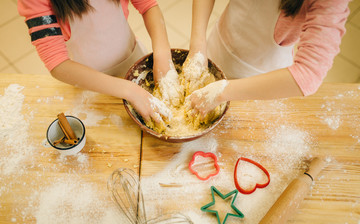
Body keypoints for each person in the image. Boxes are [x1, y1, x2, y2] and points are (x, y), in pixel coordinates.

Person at [184, 0, 350, 118]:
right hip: (218, 44)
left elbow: (309, 74)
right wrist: (198, 45)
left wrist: (220, 92)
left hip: (262, 79)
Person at [18, 0, 175, 123]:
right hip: (89, 80)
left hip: (133, 56)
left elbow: (147, 5)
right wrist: (131, 91)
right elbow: (57, 63)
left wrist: (162, 54)